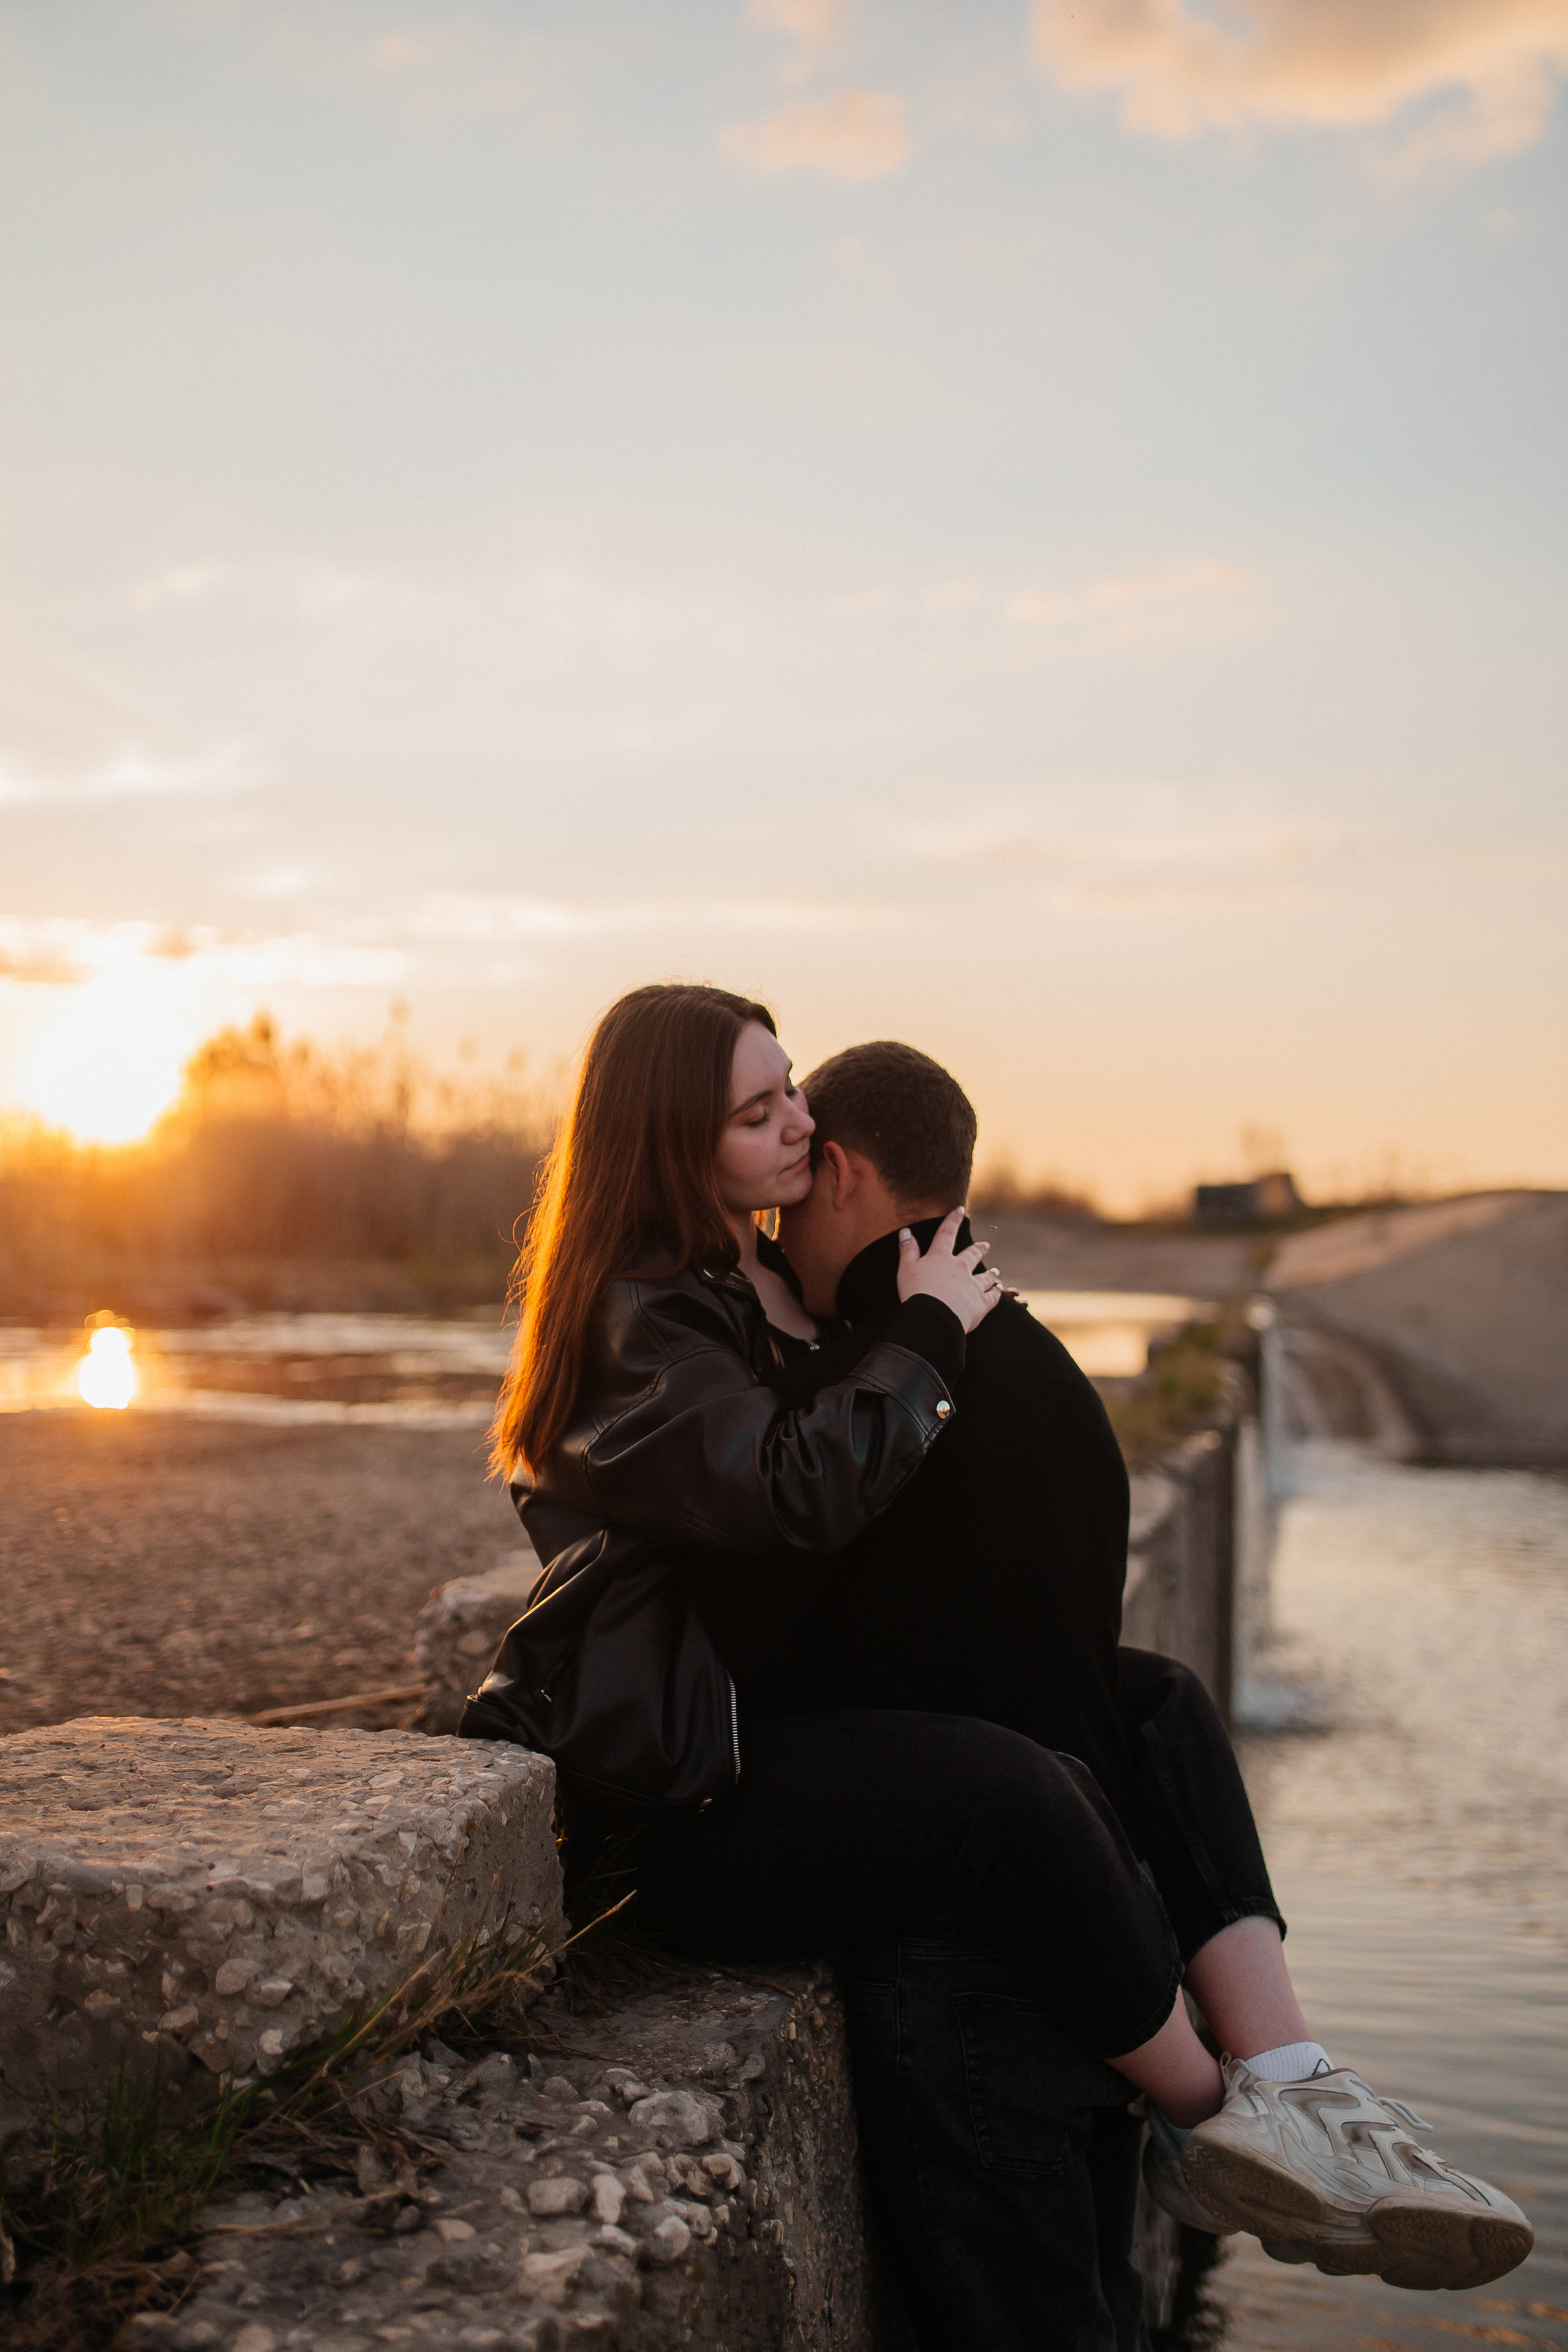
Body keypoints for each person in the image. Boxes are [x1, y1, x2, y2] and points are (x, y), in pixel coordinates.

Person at [474, 984, 1531, 2332]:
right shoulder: (643, 1318)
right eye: (757, 1112)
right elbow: (790, 1493)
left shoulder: (725, 1281)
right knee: (999, 1786)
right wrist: (920, 1332)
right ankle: (1218, 2131)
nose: (798, 1125)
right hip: (682, 1784)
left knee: (1153, 1698)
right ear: (670, 1140)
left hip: (763, 1724)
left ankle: (1299, 2080)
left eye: (790, 1090)